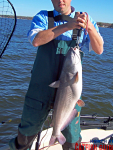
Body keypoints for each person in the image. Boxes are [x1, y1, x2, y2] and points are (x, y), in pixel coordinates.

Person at [9, 0, 104, 149]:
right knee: (25, 136)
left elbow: (99, 49)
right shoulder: (43, 17)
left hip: (69, 94)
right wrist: (68, 26)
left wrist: (89, 27)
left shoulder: (85, 19)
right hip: (40, 90)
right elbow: (36, 40)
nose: (61, 0)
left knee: (72, 140)